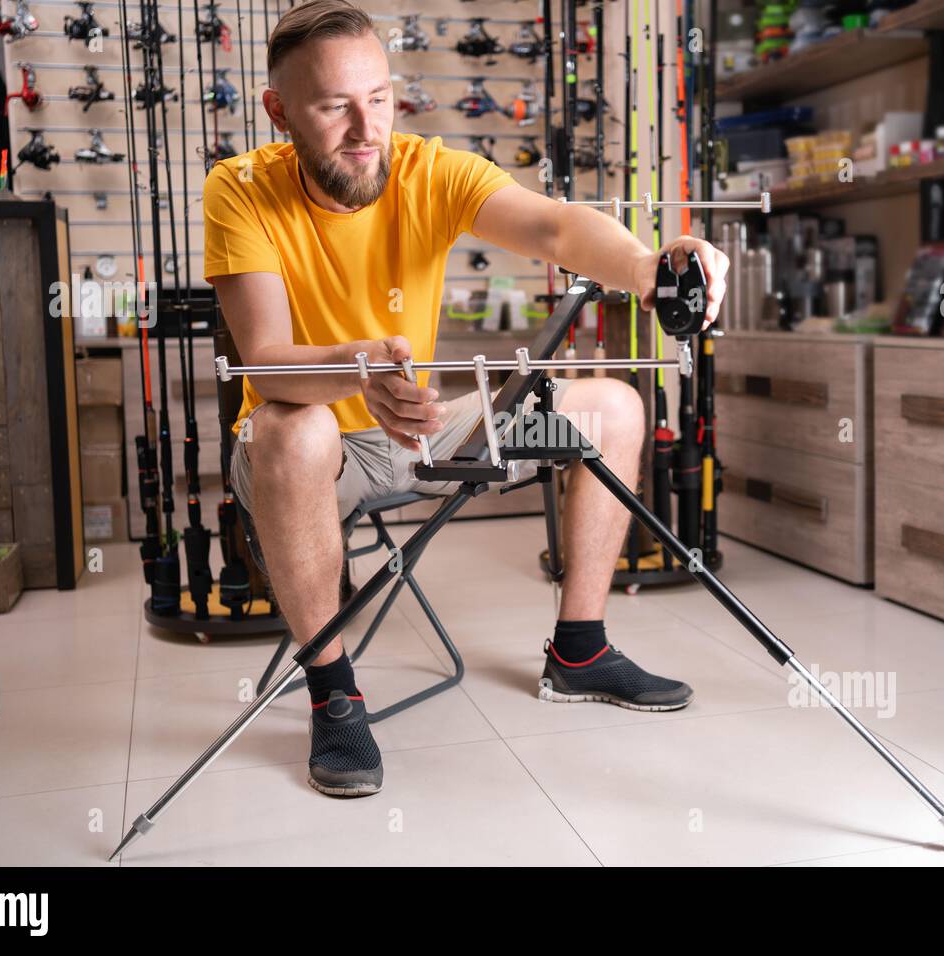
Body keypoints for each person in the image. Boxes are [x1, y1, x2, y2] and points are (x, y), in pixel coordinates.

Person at [203, 0, 726, 797]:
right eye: (332, 106)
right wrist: (359, 369)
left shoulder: (428, 169)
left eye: (377, 98)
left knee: (615, 408)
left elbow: (556, 229)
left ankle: (579, 649)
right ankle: (334, 692)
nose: (364, 126)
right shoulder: (238, 189)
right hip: (305, 454)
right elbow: (268, 367)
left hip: (417, 433)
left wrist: (647, 264)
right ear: (279, 111)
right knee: (294, 429)